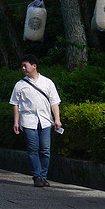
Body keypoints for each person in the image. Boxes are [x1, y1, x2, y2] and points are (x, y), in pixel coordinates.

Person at [10, 54, 63, 188]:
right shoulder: (19, 85)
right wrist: (16, 122)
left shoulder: (47, 82)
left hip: (45, 120)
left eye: (25, 65)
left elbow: (54, 102)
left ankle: (43, 176)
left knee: (45, 149)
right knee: (33, 149)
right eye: (22, 66)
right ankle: (37, 176)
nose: (23, 68)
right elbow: (15, 104)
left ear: (34, 66)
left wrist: (57, 119)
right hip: (28, 121)